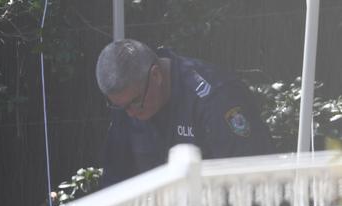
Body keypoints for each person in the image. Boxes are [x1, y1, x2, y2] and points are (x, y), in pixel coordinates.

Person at [95, 39, 274, 187]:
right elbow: (114, 183)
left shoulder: (216, 98)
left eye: (135, 102)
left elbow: (252, 178)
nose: (131, 114)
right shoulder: (128, 104)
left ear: (156, 75)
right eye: (121, 107)